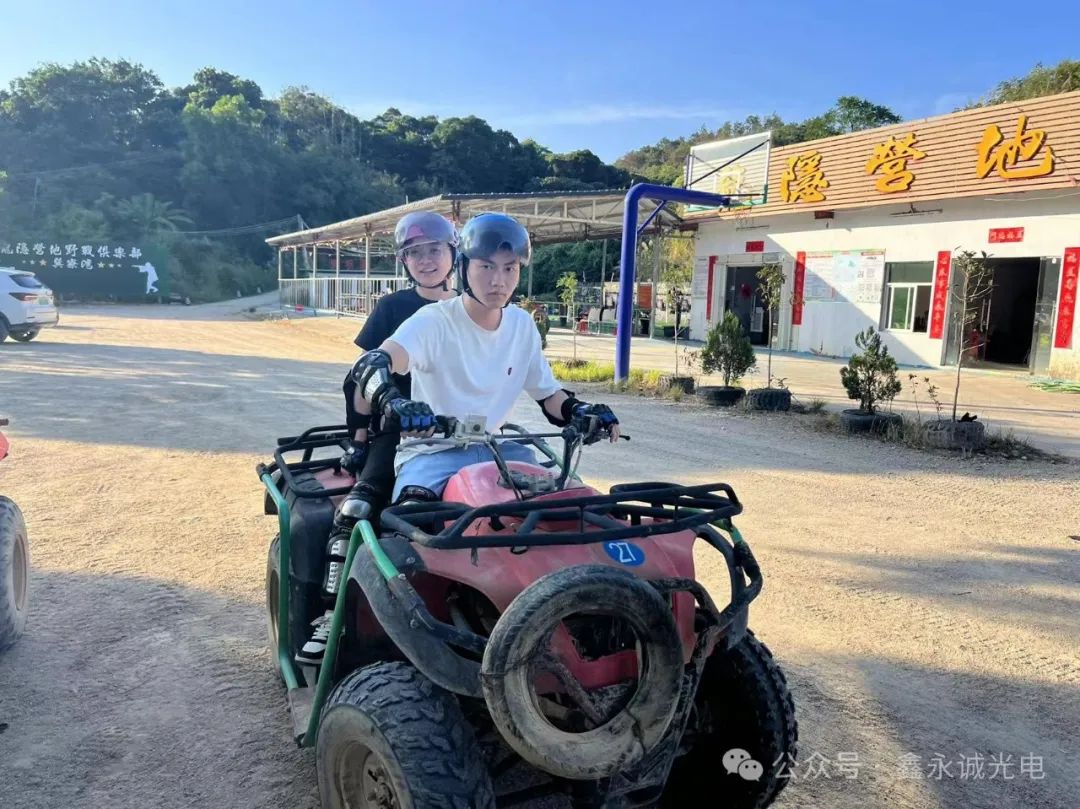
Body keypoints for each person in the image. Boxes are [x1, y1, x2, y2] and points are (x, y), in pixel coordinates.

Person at [349, 212, 621, 507]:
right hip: (432, 452)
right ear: (464, 267)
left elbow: (548, 394)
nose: (498, 281)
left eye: (509, 268)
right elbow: (371, 364)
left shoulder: (522, 325)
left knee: (578, 509)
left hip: (497, 449)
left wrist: (580, 410)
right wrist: (395, 403)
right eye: (487, 266)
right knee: (414, 519)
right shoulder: (433, 321)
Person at [297, 210, 458, 665]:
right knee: (358, 509)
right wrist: (360, 439)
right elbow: (361, 377)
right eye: (415, 253)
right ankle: (331, 616)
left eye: (434, 250)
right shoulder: (392, 308)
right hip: (401, 429)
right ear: (404, 261)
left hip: (467, 431)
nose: (426, 260)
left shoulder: (472, 307)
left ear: (453, 253)